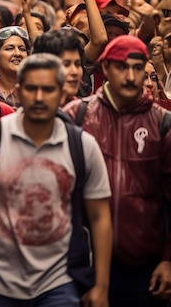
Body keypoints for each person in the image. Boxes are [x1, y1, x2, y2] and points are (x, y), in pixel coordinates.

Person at [0, 53, 112, 306]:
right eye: (31, 88)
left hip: (59, 282)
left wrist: (102, 286)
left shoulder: (82, 145)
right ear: (18, 91)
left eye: (48, 89)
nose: (39, 97)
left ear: (61, 94)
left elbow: (100, 216)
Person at [63, 35, 171, 306]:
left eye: (138, 67)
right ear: (106, 67)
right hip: (83, 262)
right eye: (123, 67)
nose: (132, 75)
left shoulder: (164, 125)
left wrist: (169, 260)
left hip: (145, 265)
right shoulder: (77, 116)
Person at [33, 29, 85, 104]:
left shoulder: (87, 111)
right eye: (66, 64)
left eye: (77, 64)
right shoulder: (27, 112)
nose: (74, 72)